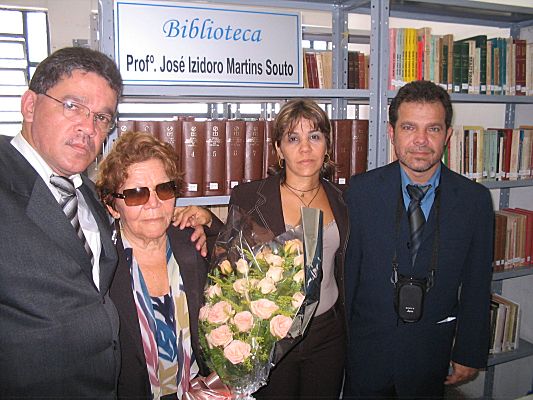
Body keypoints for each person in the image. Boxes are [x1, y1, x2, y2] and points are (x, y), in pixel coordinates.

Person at [343, 80, 494, 399]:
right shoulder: (359, 193)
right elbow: (347, 280)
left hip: (432, 357)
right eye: (409, 127)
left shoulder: (475, 201)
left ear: (447, 135)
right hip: (365, 356)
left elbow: (478, 283)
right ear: (392, 132)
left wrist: (469, 351)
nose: (421, 140)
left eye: (433, 129)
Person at [0, 47, 123, 397]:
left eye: (102, 117)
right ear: (30, 105)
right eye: (72, 106)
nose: (88, 127)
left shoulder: (88, 193)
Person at [229, 99, 348, 399]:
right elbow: (231, 258)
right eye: (293, 139)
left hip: (327, 334)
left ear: (327, 145)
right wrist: (204, 221)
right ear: (279, 149)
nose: (305, 148)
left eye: (314, 136)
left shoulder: (344, 199)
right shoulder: (249, 197)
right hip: (272, 336)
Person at [96, 131, 221, 400]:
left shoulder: (192, 242)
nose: (154, 204)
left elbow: (239, 257)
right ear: (113, 206)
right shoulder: (99, 263)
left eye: (164, 189)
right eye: (136, 194)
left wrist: (209, 220)